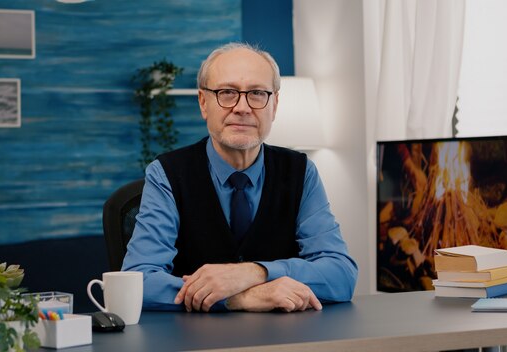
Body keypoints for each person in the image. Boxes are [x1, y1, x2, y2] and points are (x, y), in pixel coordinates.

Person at [122, 42, 357, 313]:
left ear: (275, 104)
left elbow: (341, 275)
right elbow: (139, 282)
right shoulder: (166, 174)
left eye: (257, 93)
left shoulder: (302, 172)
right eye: (227, 92)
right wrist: (239, 298)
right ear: (203, 102)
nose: (242, 107)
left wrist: (255, 273)